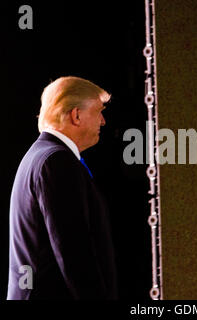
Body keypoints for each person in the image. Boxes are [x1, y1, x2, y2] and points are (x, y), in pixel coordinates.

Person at [7, 76, 118, 299]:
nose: (103, 121)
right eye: (98, 111)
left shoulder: (39, 156)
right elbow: (74, 254)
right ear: (76, 115)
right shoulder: (56, 162)